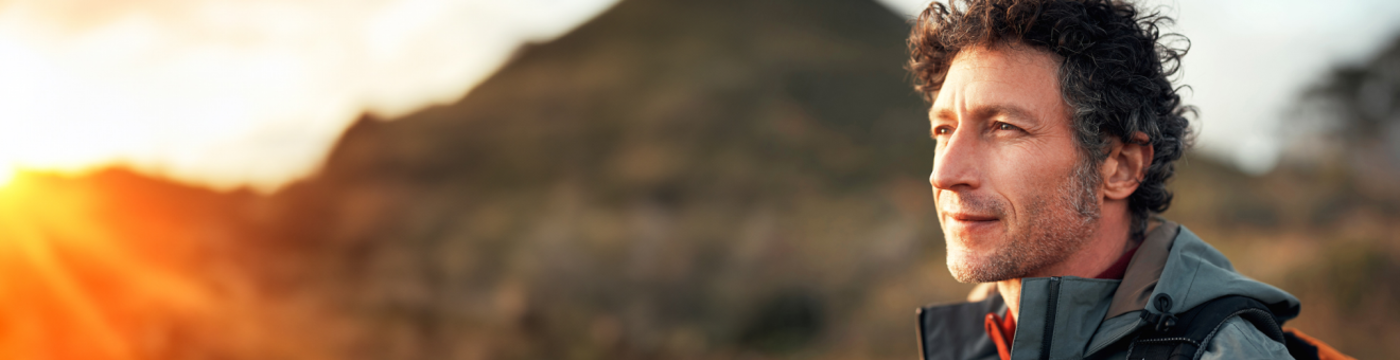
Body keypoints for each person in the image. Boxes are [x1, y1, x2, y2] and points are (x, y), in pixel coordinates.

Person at [904, 1, 1349, 359]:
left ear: (1121, 167)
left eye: (1004, 127)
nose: (944, 174)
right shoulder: (974, 335)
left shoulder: (1225, 351)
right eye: (943, 129)